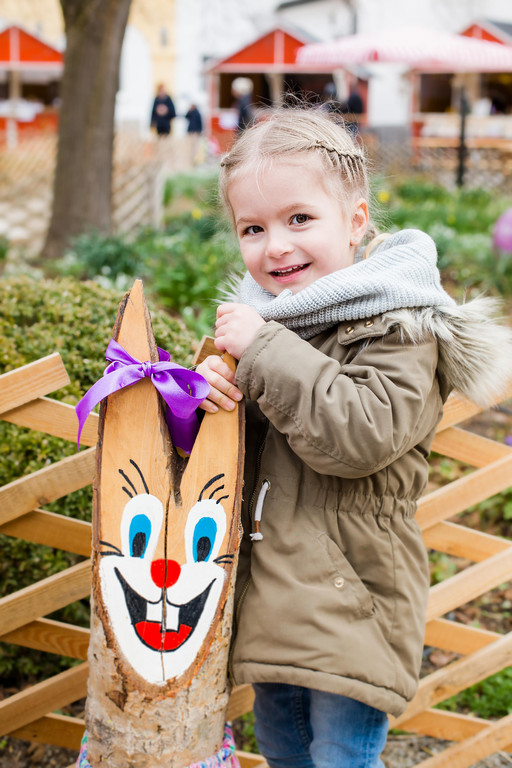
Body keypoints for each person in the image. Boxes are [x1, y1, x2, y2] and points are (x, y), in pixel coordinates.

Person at [196, 107, 512, 768]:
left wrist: (263, 351)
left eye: (298, 219)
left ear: (356, 221)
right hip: (270, 596)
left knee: (340, 759)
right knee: (285, 756)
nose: (275, 245)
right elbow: (225, 458)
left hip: (353, 597)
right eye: (252, 228)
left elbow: (360, 434)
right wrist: (210, 391)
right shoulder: (271, 328)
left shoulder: (401, 326)